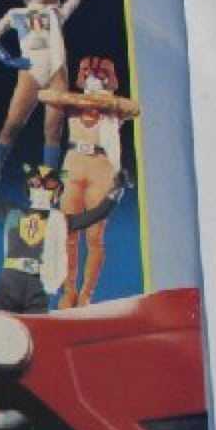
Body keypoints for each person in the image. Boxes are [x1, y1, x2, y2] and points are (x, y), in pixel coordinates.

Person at [0, 0, 86, 167]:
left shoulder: (57, 13)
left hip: (57, 71)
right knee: (11, 126)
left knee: (53, 130)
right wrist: (7, 58)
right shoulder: (15, 13)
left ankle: (49, 179)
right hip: (30, 71)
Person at [58, 56, 141, 308]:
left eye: (100, 74)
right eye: (89, 73)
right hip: (73, 162)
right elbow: (45, 95)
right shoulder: (74, 102)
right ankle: (68, 291)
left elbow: (135, 108)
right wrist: (83, 99)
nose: (94, 78)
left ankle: (86, 293)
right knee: (66, 231)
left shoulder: (113, 107)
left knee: (95, 236)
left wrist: (105, 100)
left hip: (102, 166)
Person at [0, 162, 122, 315]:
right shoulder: (13, 213)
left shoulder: (60, 220)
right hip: (9, 282)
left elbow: (97, 214)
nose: (41, 190)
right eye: (35, 183)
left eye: (49, 185)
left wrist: (117, 189)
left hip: (37, 286)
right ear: (28, 188)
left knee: (34, 327)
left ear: (57, 192)